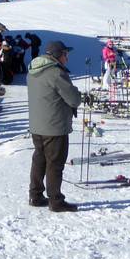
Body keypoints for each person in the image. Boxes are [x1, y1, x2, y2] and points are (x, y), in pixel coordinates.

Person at [28, 40, 81, 212]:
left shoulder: (33, 70)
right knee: (55, 163)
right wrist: (78, 94)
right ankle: (56, 201)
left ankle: (35, 196)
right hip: (54, 127)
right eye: (66, 54)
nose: (67, 58)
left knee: (39, 159)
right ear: (59, 55)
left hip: (37, 125)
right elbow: (73, 99)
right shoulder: (55, 73)